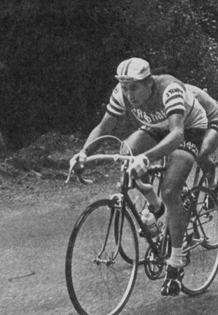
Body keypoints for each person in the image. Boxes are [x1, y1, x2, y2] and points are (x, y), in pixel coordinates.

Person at [69, 57, 208, 297]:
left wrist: (147, 157)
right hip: (155, 127)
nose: (129, 94)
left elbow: (176, 134)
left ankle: (176, 262)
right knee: (126, 153)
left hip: (187, 128)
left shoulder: (169, 88)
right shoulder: (122, 93)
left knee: (171, 190)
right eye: (125, 87)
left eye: (134, 88)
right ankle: (155, 207)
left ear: (149, 83)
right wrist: (83, 153)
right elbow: (103, 128)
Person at [152, 67, 218, 192]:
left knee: (200, 153)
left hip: (215, 118)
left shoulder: (180, 95)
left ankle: (212, 185)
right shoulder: (157, 97)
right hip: (193, 122)